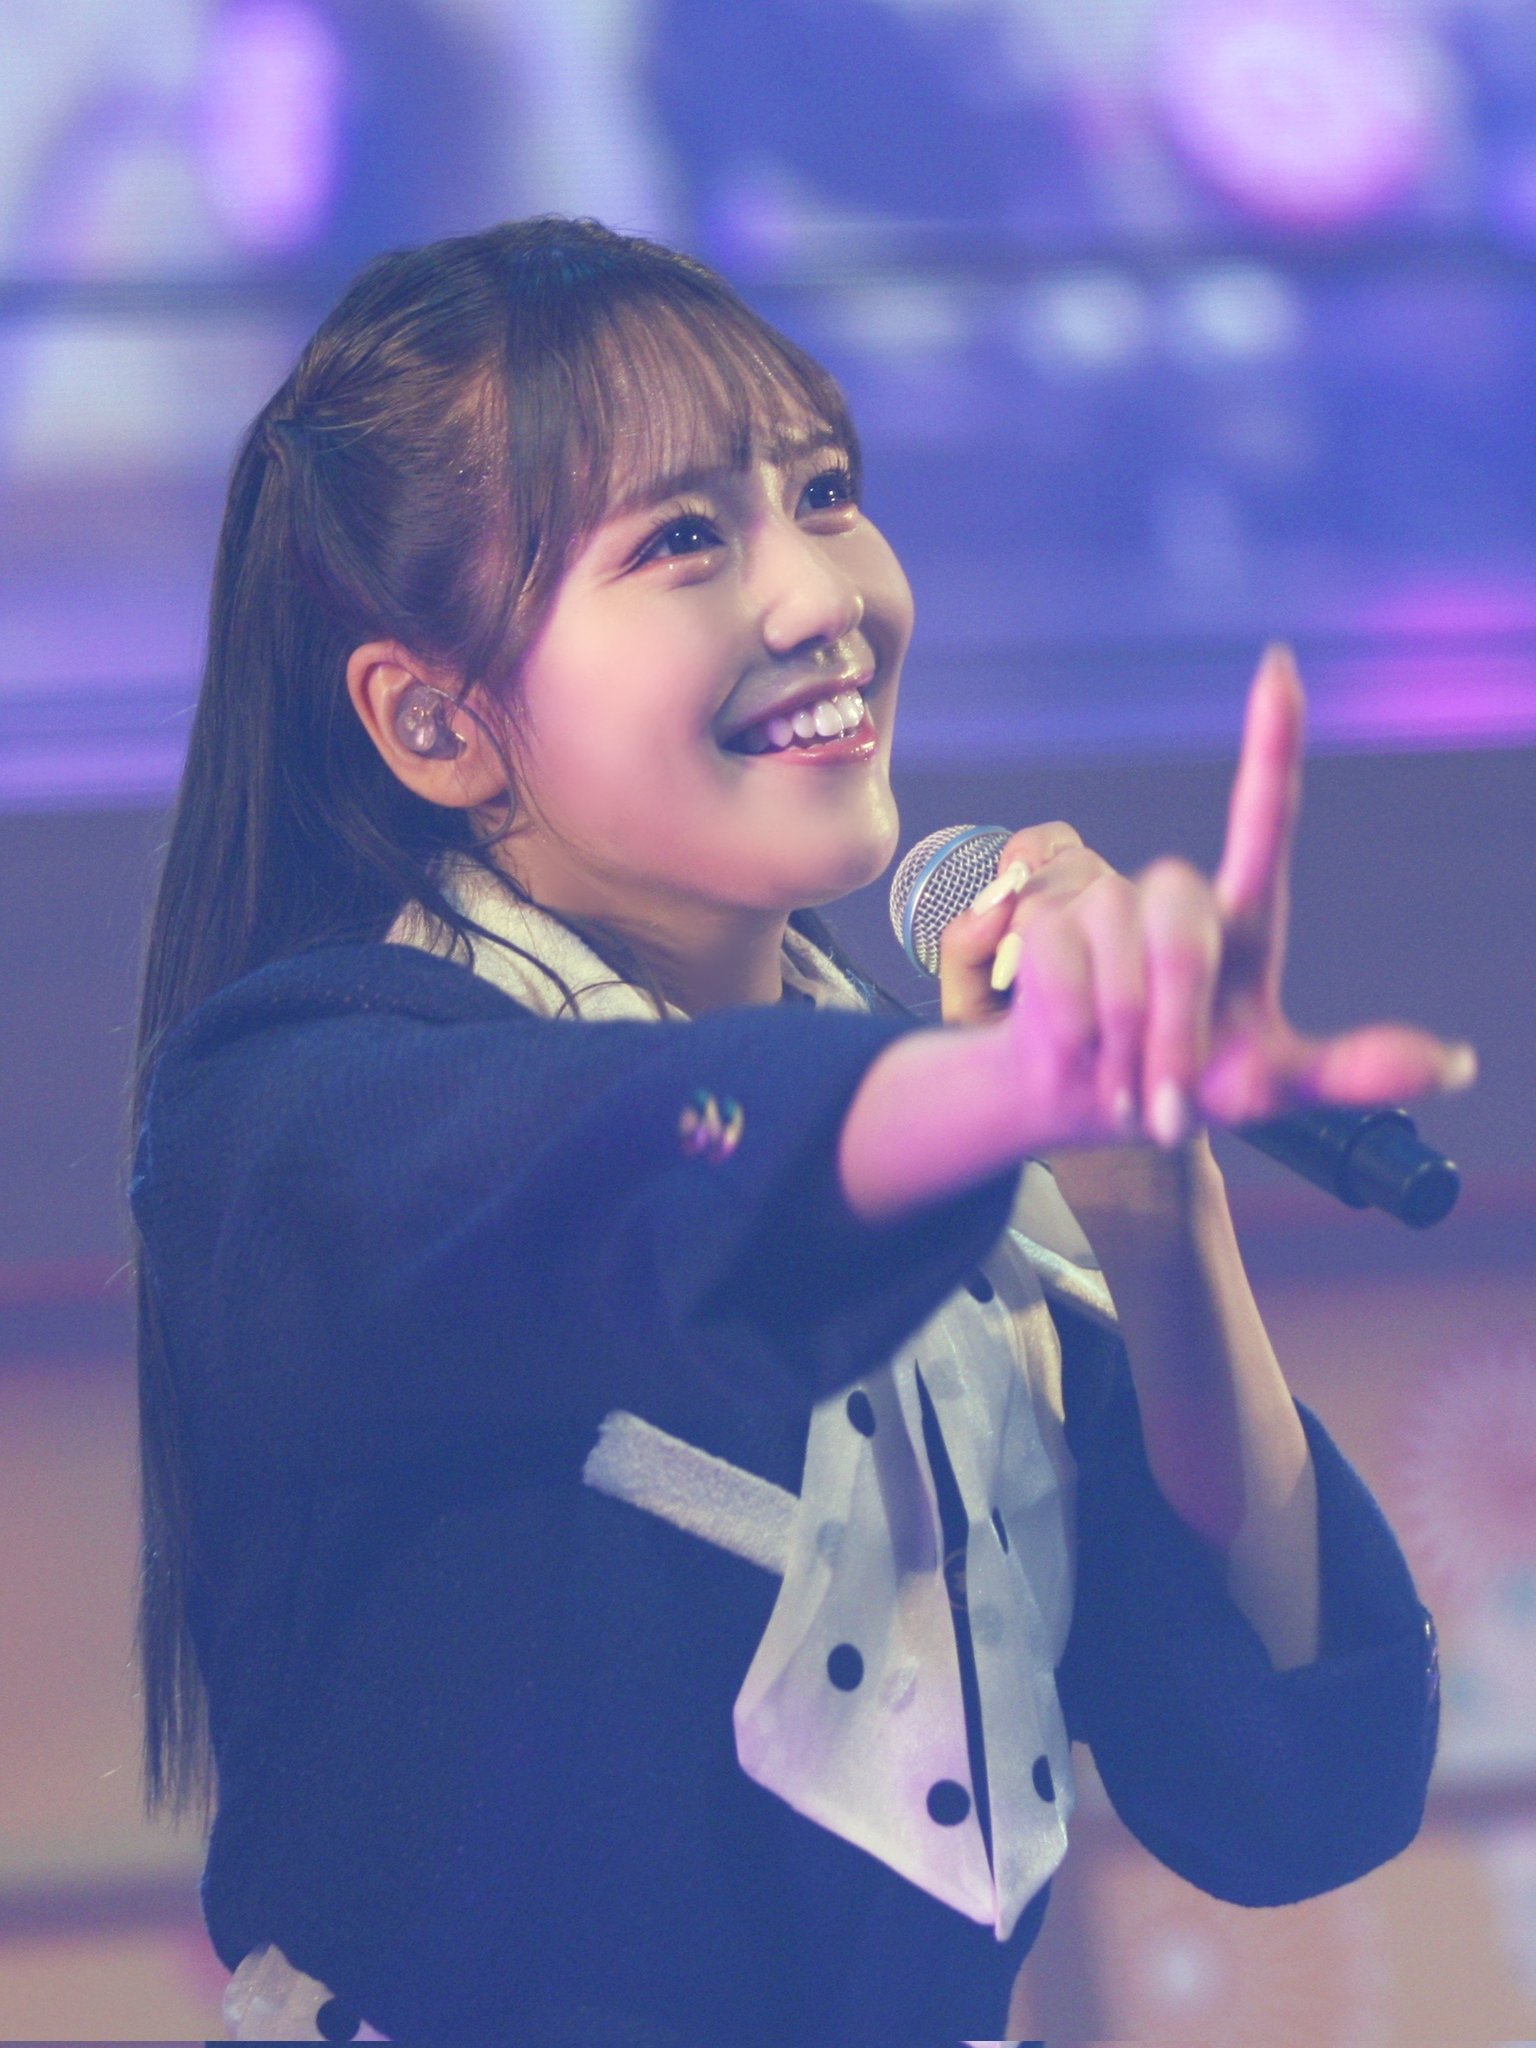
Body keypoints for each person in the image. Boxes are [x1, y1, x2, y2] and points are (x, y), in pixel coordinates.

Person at [129, 216, 1469, 2047]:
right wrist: (1002, 1092)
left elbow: (1286, 1784)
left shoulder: (954, 1186)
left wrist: (1153, 1208)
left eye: (825, 491)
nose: (820, 594)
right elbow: (627, 1168)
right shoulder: (304, 1116)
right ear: (436, 720)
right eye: (683, 539)